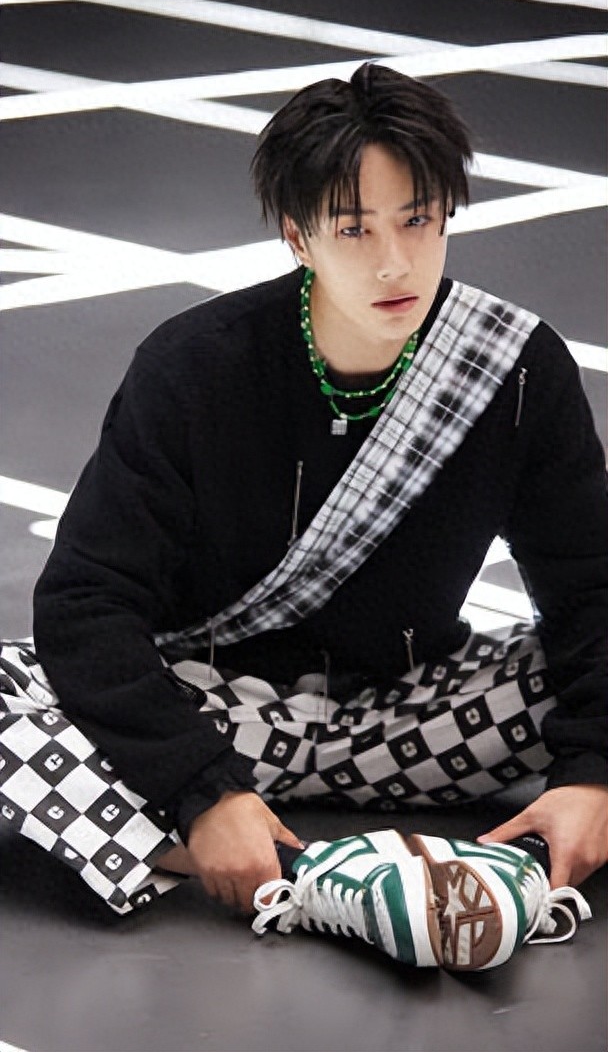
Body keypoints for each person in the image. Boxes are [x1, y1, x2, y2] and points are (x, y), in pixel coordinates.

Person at [0, 64, 606, 969]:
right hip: (217, 712)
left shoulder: (515, 368)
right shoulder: (194, 368)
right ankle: (314, 880)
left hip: (417, 713)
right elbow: (85, 605)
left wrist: (594, 773)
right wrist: (204, 790)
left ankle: (455, 861)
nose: (395, 261)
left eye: (418, 220)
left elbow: (592, 593)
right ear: (299, 236)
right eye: (354, 229)